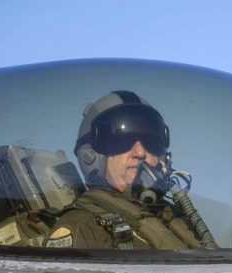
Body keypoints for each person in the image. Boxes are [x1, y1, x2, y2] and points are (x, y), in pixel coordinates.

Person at [44, 91, 212, 250]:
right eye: (121, 141)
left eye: (150, 141)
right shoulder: (82, 227)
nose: (140, 152)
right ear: (91, 157)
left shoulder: (174, 216)